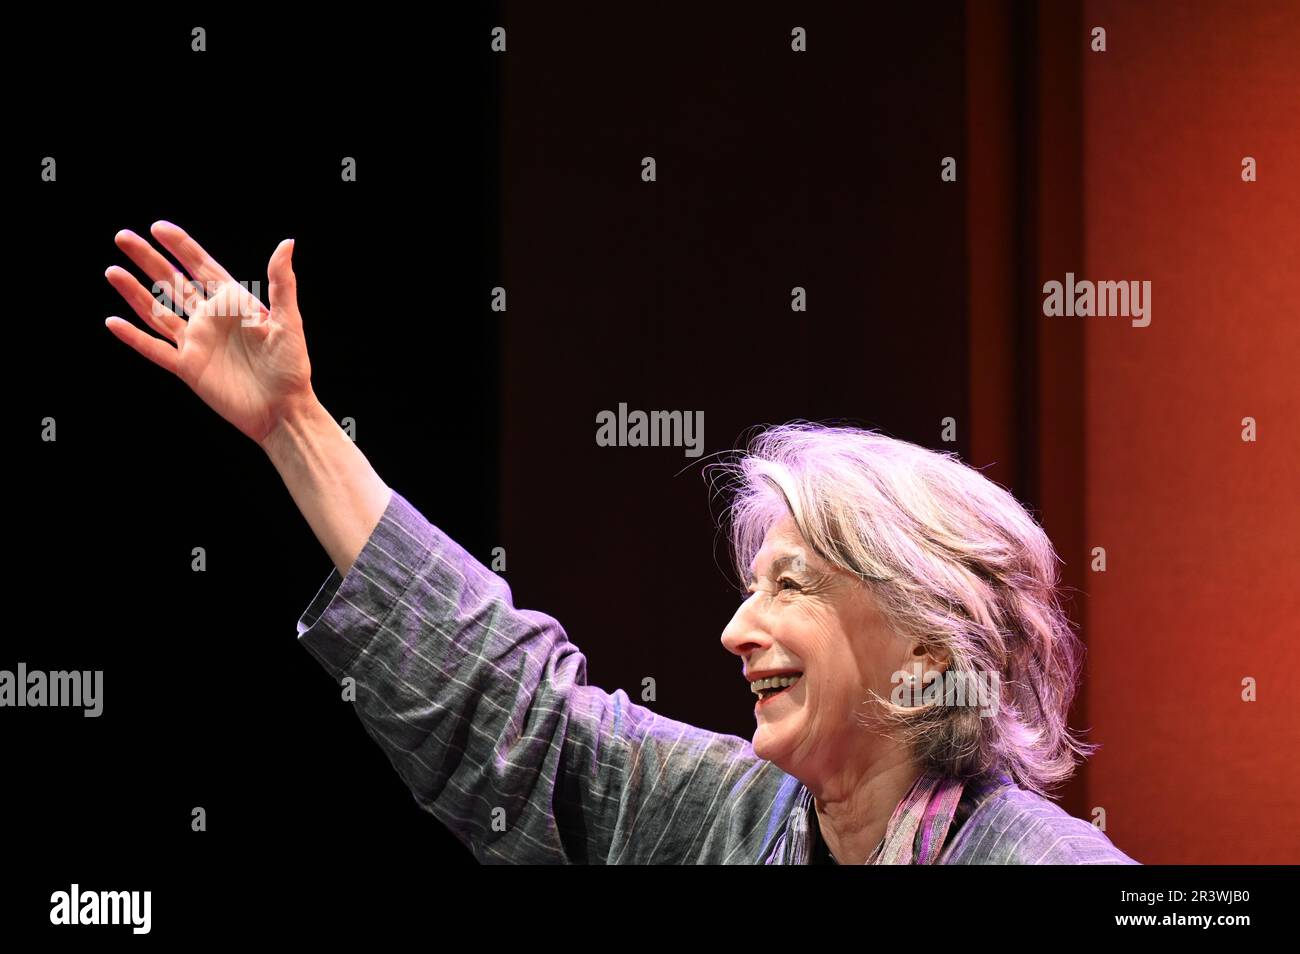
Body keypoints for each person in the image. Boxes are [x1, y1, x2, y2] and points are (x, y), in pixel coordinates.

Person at [104, 221, 1140, 865]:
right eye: (750, 586)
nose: (738, 629)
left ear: (925, 649)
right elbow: (514, 718)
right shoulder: (725, 820)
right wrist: (295, 426)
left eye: (793, 585)